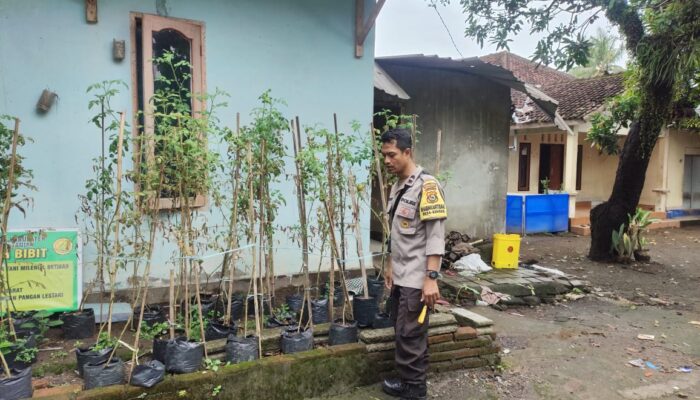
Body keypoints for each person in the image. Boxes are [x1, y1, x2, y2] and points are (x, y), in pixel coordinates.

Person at [380, 128, 446, 400]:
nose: (386, 160)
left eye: (391, 155)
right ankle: (408, 382)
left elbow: (435, 236)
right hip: (400, 275)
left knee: (411, 335)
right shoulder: (398, 186)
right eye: (384, 155)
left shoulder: (427, 187)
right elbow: (395, 233)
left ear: (408, 152)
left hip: (417, 280)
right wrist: (389, 265)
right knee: (403, 331)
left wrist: (431, 278)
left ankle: (415, 391)